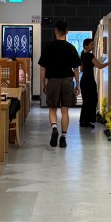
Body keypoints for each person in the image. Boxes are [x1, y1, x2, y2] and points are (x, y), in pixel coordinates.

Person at [38, 20, 81, 148]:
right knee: (65, 110)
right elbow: (76, 69)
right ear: (66, 32)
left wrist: (43, 83)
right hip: (67, 80)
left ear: (55, 31)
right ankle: (63, 138)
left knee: (52, 108)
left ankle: (54, 128)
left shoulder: (48, 47)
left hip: (53, 80)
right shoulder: (71, 47)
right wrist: (77, 84)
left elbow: (43, 68)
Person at [78, 38, 109, 127]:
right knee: (93, 100)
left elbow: (81, 69)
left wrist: (91, 65)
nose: (93, 46)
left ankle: (84, 121)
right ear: (86, 46)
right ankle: (88, 120)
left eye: (93, 44)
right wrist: (109, 62)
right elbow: (100, 66)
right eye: (91, 45)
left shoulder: (82, 54)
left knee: (86, 101)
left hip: (84, 80)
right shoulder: (90, 55)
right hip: (89, 80)